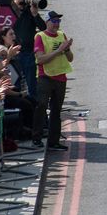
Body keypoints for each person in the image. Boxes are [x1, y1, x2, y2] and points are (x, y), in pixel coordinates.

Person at [33, 11, 73, 151]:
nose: (56, 23)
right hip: (46, 77)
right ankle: (36, 138)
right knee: (42, 106)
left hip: (60, 77)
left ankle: (54, 141)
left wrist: (67, 49)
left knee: (56, 110)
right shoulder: (40, 36)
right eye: (54, 21)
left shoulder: (62, 35)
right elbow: (40, 59)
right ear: (47, 22)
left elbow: (70, 58)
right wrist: (59, 50)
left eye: (58, 21)